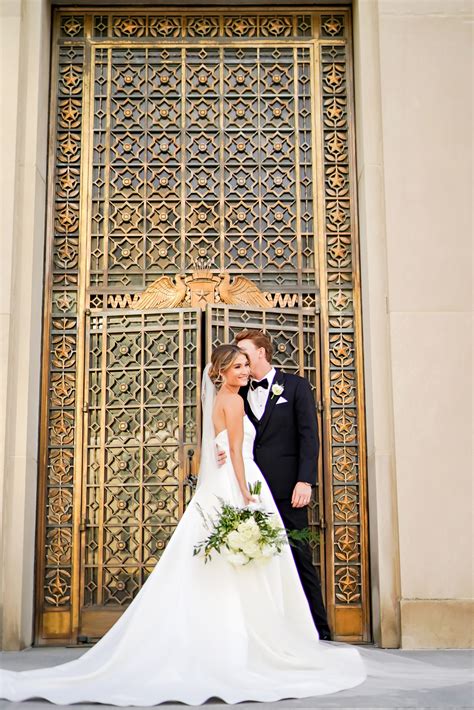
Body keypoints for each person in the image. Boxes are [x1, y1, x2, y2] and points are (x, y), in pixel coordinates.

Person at [0, 345, 366, 705]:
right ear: (222, 371)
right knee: (248, 564)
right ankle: (251, 640)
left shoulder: (218, 399)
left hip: (220, 484)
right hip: (241, 482)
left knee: (219, 564)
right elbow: (237, 452)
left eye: (245, 365)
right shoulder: (235, 400)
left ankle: (226, 637)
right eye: (237, 367)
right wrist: (245, 491)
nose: (243, 372)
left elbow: (222, 445)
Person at [217, 329, 331, 640]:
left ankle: (318, 629)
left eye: (244, 354)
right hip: (249, 490)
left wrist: (305, 480)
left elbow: (310, 437)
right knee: (257, 560)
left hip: (287, 490)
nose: (239, 359)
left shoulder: (295, 387)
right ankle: (267, 631)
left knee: (298, 555)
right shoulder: (235, 392)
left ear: (262, 353)